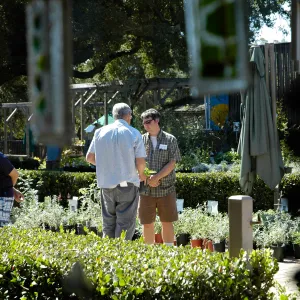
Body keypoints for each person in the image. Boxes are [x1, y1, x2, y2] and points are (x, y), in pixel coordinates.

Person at [86, 103, 146, 240]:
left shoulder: (99, 132)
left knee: (108, 224)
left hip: (106, 184)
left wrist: (106, 166)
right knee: (125, 224)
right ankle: (121, 257)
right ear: (129, 115)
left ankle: (108, 256)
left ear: (114, 116)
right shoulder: (134, 133)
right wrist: (141, 175)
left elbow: (89, 158)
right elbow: (141, 162)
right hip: (128, 183)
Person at [139, 108, 181, 245]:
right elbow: (137, 162)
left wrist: (156, 178)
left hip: (166, 188)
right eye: (144, 123)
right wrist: (147, 178)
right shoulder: (140, 140)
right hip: (146, 189)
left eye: (148, 122)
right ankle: (149, 252)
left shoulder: (170, 139)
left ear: (157, 121)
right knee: (147, 223)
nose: (145, 125)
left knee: (167, 221)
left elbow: (172, 162)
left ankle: (168, 253)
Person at [0, 152, 24, 227]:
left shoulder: (1, 158)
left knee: (2, 229)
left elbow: (15, 174)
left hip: (2, 198)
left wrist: (11, 188)